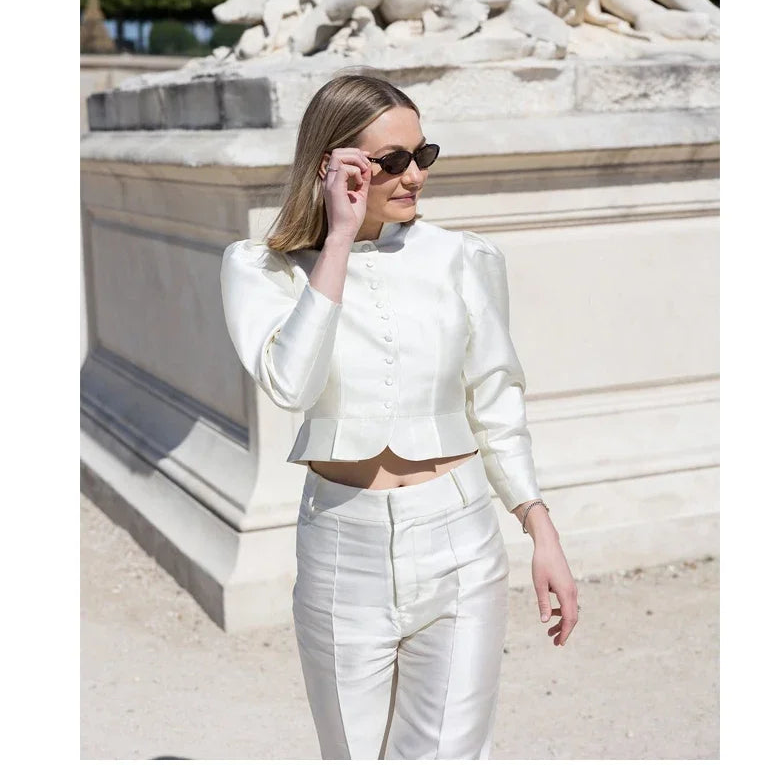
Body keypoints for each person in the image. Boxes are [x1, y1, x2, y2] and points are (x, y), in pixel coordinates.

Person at [219, 73, 579, 760]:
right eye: (392, 162)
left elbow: (497, 400)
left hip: (461, 541)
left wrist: (540, 528)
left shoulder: (463, 258)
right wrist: (338, 241)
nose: (415, 175)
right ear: (333, 164)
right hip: (340, 549)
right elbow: (289, 384)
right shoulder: (261, 269)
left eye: (424, 154)